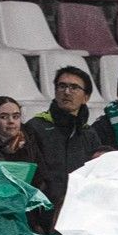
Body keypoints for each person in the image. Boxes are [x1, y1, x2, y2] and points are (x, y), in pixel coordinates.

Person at [25, 66, 101, 222]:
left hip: (80, 217)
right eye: (62, 86)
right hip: (42, 217)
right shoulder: (36, 127)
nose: (67, 92)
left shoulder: (90, 134)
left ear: (86, 97)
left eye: (74, 87)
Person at [0, 97, 37, 166]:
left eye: (15, 116)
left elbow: (41, 173)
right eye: (4, 117)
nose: (11, 121)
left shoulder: (29, 137)